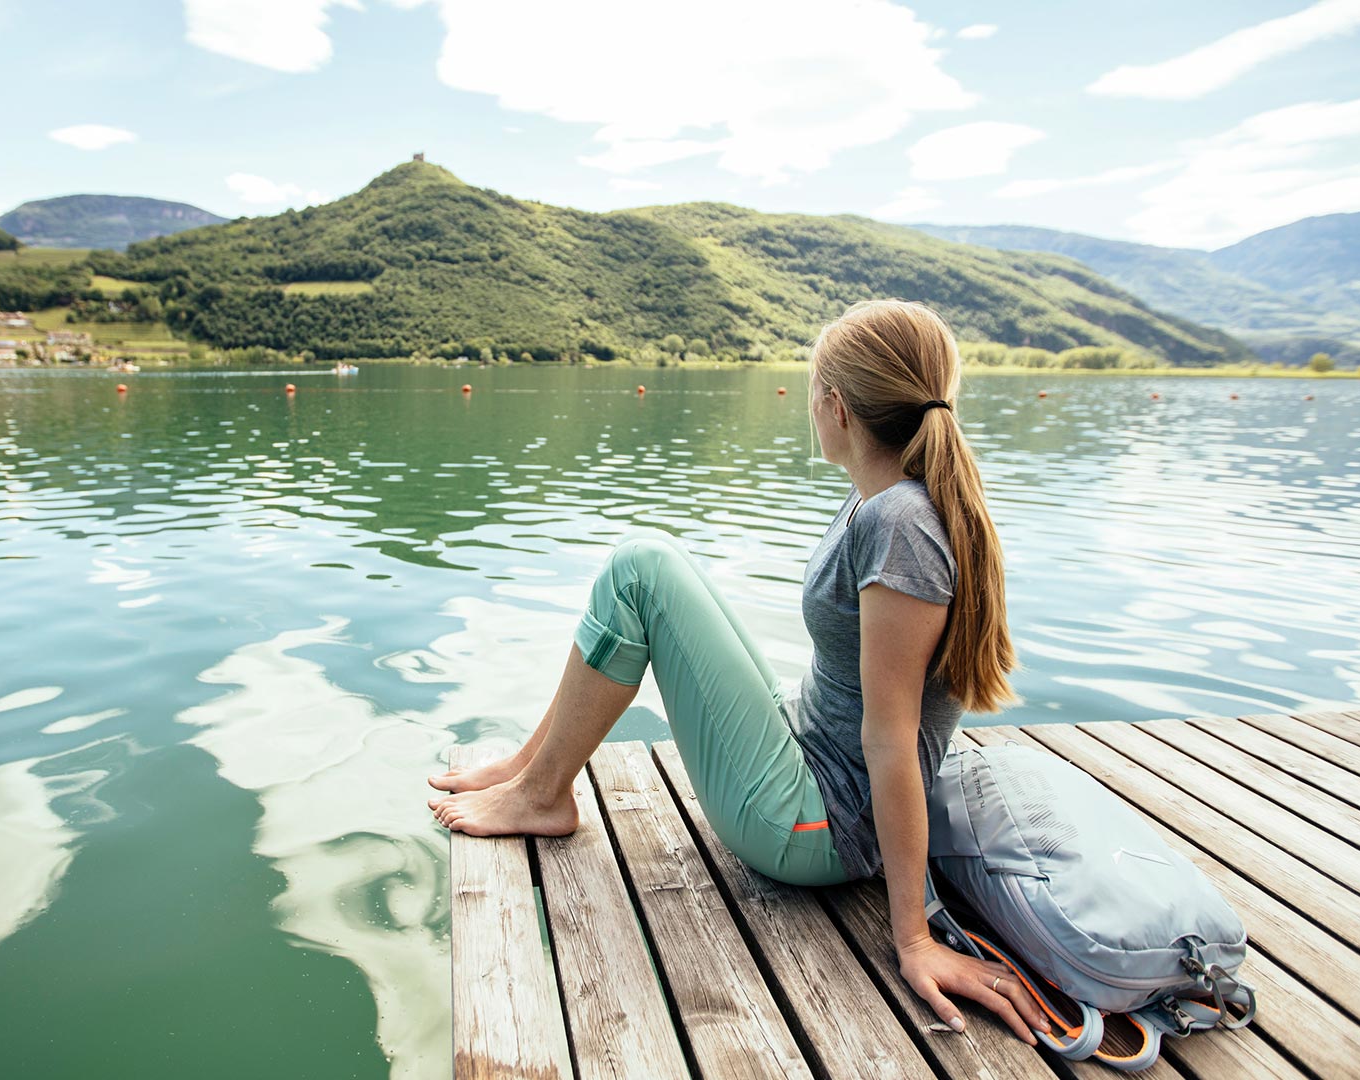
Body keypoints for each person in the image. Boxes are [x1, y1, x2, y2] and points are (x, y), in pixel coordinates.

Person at [425, 299, 1046, 1045]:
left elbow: (892, 739)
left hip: (815, 824)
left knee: (641, 570)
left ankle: (540, 793)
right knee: (663, 563)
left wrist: (912, 936)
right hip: (808, 755)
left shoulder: (900, 524)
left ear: (836, 405)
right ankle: (532, 769)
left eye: (813, 389)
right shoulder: (877, 499)